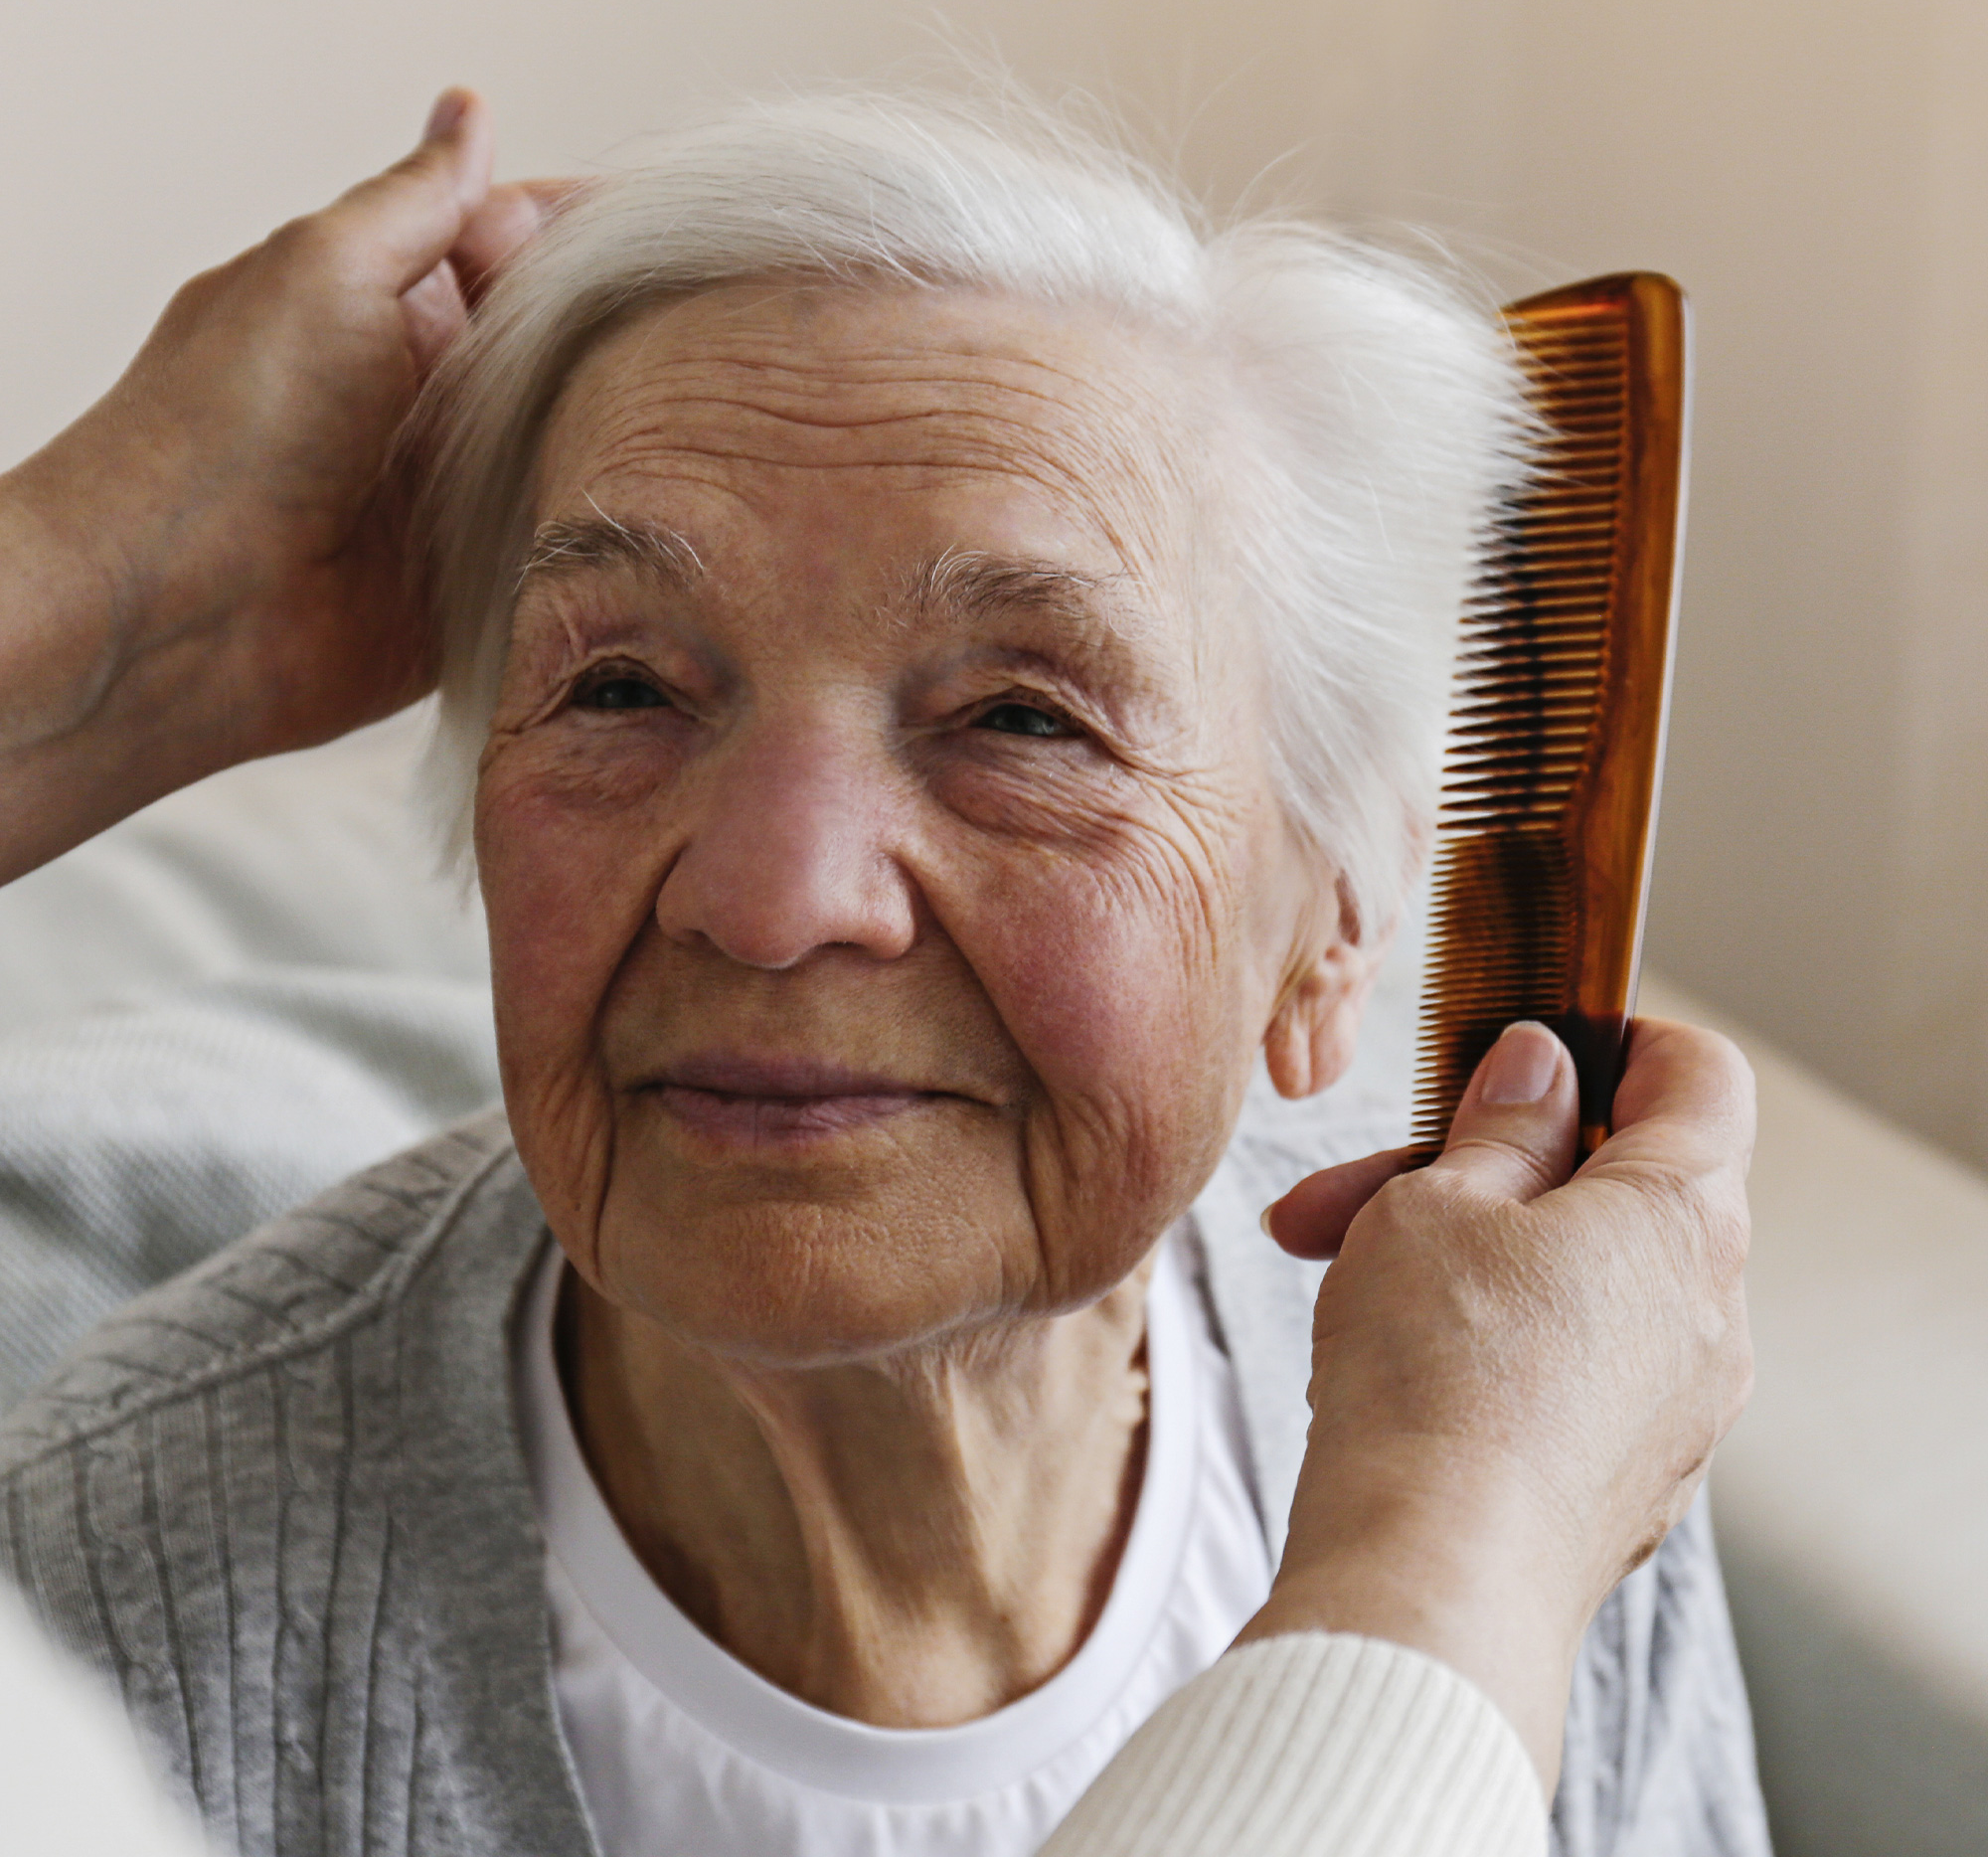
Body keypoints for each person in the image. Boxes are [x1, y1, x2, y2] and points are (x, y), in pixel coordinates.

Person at [0, 89, 1764, 1857]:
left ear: (1332, 931)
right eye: (621, 688)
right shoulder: (109, 1616)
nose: (772, 902)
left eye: (1021, 716)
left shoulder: (1520, 1389)